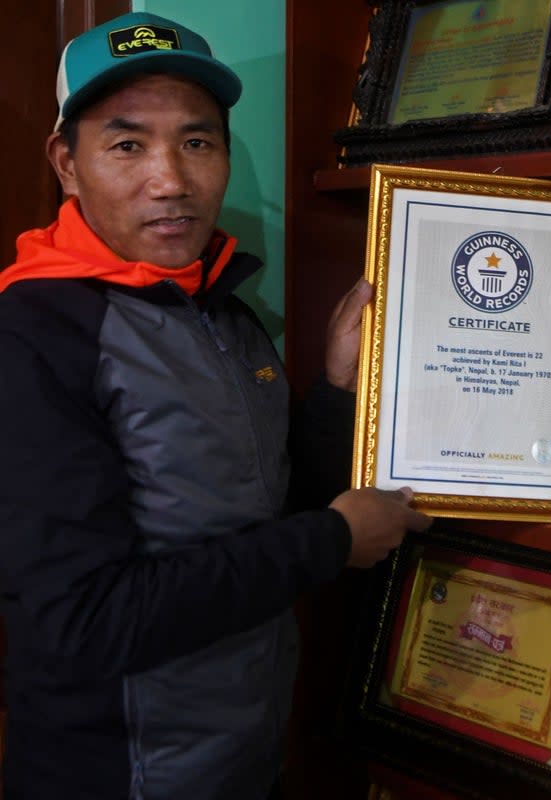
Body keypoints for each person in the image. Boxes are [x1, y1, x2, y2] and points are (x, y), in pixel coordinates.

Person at [0, 11, 430, 799]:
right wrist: (332, 541)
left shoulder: (219, 310)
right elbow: (87, 620)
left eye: (197, 142)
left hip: (243, 759)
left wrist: (336, 390)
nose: (171, 179)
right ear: (67, 163)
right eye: (127, 144)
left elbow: (265, 510)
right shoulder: (31, 336)